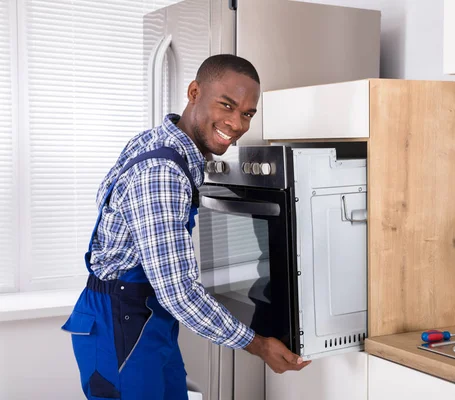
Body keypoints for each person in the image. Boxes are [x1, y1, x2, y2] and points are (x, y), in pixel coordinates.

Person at [61, 54, 310, 400]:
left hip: (146, 320)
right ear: (194, 92)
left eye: (247, 114)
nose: (237, 123)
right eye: (227, 105)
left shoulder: (161, 144)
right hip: (122, 325)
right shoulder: (163, 172)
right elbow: (177, 292)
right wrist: (258, 345)